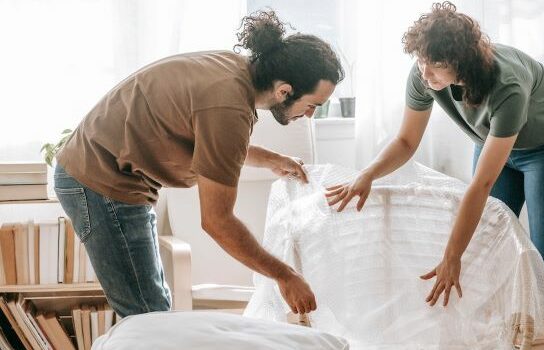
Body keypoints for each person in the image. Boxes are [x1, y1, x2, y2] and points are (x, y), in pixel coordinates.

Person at [54, 10, 343, 318]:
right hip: (99, 181)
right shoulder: (228, 105)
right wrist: (285, 275)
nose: (311, 115)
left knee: (153, 309)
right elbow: (217, 221)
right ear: (284, 90)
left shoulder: (234, 72)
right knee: (147, 316)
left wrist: (272, 160)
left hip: (110, 175)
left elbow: (215, 143)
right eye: (313, 105)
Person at [325, 2, 544, 348]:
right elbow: (405, 140)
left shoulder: (507, 85)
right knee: (487, 254)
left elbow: (481, 184)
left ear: (462, 63)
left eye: (436, 65)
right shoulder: (423, 74)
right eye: (420, 60)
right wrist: (368, 174)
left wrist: (451, 257)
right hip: (494, 141)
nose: (425, 73)